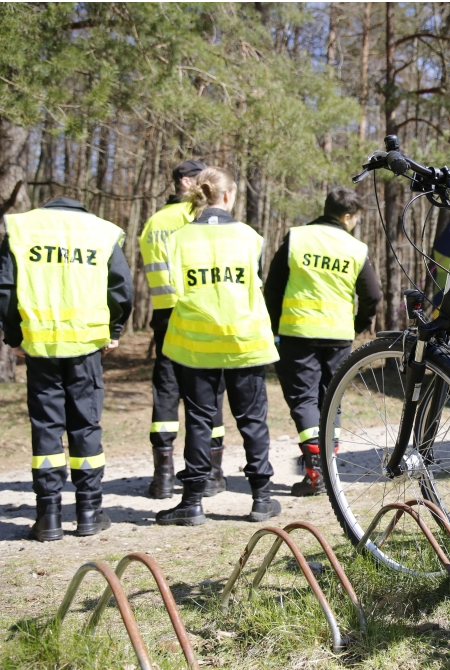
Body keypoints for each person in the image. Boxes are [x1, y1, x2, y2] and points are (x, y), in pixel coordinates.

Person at [0, 197, 133, 541]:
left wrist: (15, 335)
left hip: (40, 346)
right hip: (87, 346)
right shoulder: (101, 231)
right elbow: (120, 289)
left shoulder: (22, 228)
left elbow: (6, 288)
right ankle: (89, 511)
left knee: (46, 427)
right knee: (85, 425)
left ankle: (48, 516)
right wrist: (112, 332)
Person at [156, 167, 280, 526]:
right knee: (252, 420)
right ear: (228, 196)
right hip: (245, 340)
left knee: (198, 420)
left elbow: (176, 287)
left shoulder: (178, 239)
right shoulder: (249, 237)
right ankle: (262, 498)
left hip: (195, 342)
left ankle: (192, 502)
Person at [264, 187, 381, 495]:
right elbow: (372, 295)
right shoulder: (355, 248)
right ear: (347, 216)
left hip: (296, 332)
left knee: (303, 400)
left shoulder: (297, 238)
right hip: (338, 335)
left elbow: (273, 288)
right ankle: (328, 471)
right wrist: (358, 323)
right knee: (332, 398)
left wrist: (274, 327)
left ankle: (314, 473)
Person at [139, 160, 227, 500]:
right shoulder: (201, 217)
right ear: (186, 181)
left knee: (166, 388)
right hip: (200, 311)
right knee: (207, 389)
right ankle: (213, 473)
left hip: (165, 313)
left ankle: (162, 478)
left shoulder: (154, 222)